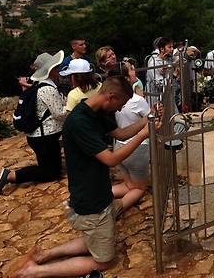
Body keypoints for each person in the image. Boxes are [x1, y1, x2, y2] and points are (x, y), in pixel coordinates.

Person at [10, 77, 158, 278]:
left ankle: (43, 255)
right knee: (104, 261)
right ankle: (35, 271)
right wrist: (143, 135)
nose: (119, 110)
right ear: (111, 97)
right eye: (120, 105)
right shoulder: (80, 121)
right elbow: (111, 159)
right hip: (90, 197)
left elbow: (121, 134)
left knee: (94, 238)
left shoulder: (94, 111)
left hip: (97, 190)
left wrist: (147, 119)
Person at [0, 51, 67, 195]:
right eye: (56, 67)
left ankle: (23, 173)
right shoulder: (48, 88)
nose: (58, 70)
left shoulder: (41, 85)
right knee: (50, 172)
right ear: (50, 70)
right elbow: (59, 114)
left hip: (39, 136)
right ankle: (10, 176)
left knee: (52, 168)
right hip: (45, 137)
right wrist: (72, 106)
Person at [108, 68, 152, 215]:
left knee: (128, 185)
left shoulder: (110, 102)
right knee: (139, 188)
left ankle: (96, 197)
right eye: (131, 70)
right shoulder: (138, 100)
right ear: (126, 79)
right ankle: (118, 208)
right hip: (137, 149)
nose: (135, 72)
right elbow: (149, 120)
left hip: (119, 147)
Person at [145, 37, 173, 106]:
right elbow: (158, 83)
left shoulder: (168, 60)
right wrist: (173, 77)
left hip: (166, 95)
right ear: (162, 49)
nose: (172, 49)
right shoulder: (153, 62)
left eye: (172, 47)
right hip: (155, 97)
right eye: (169, 47)